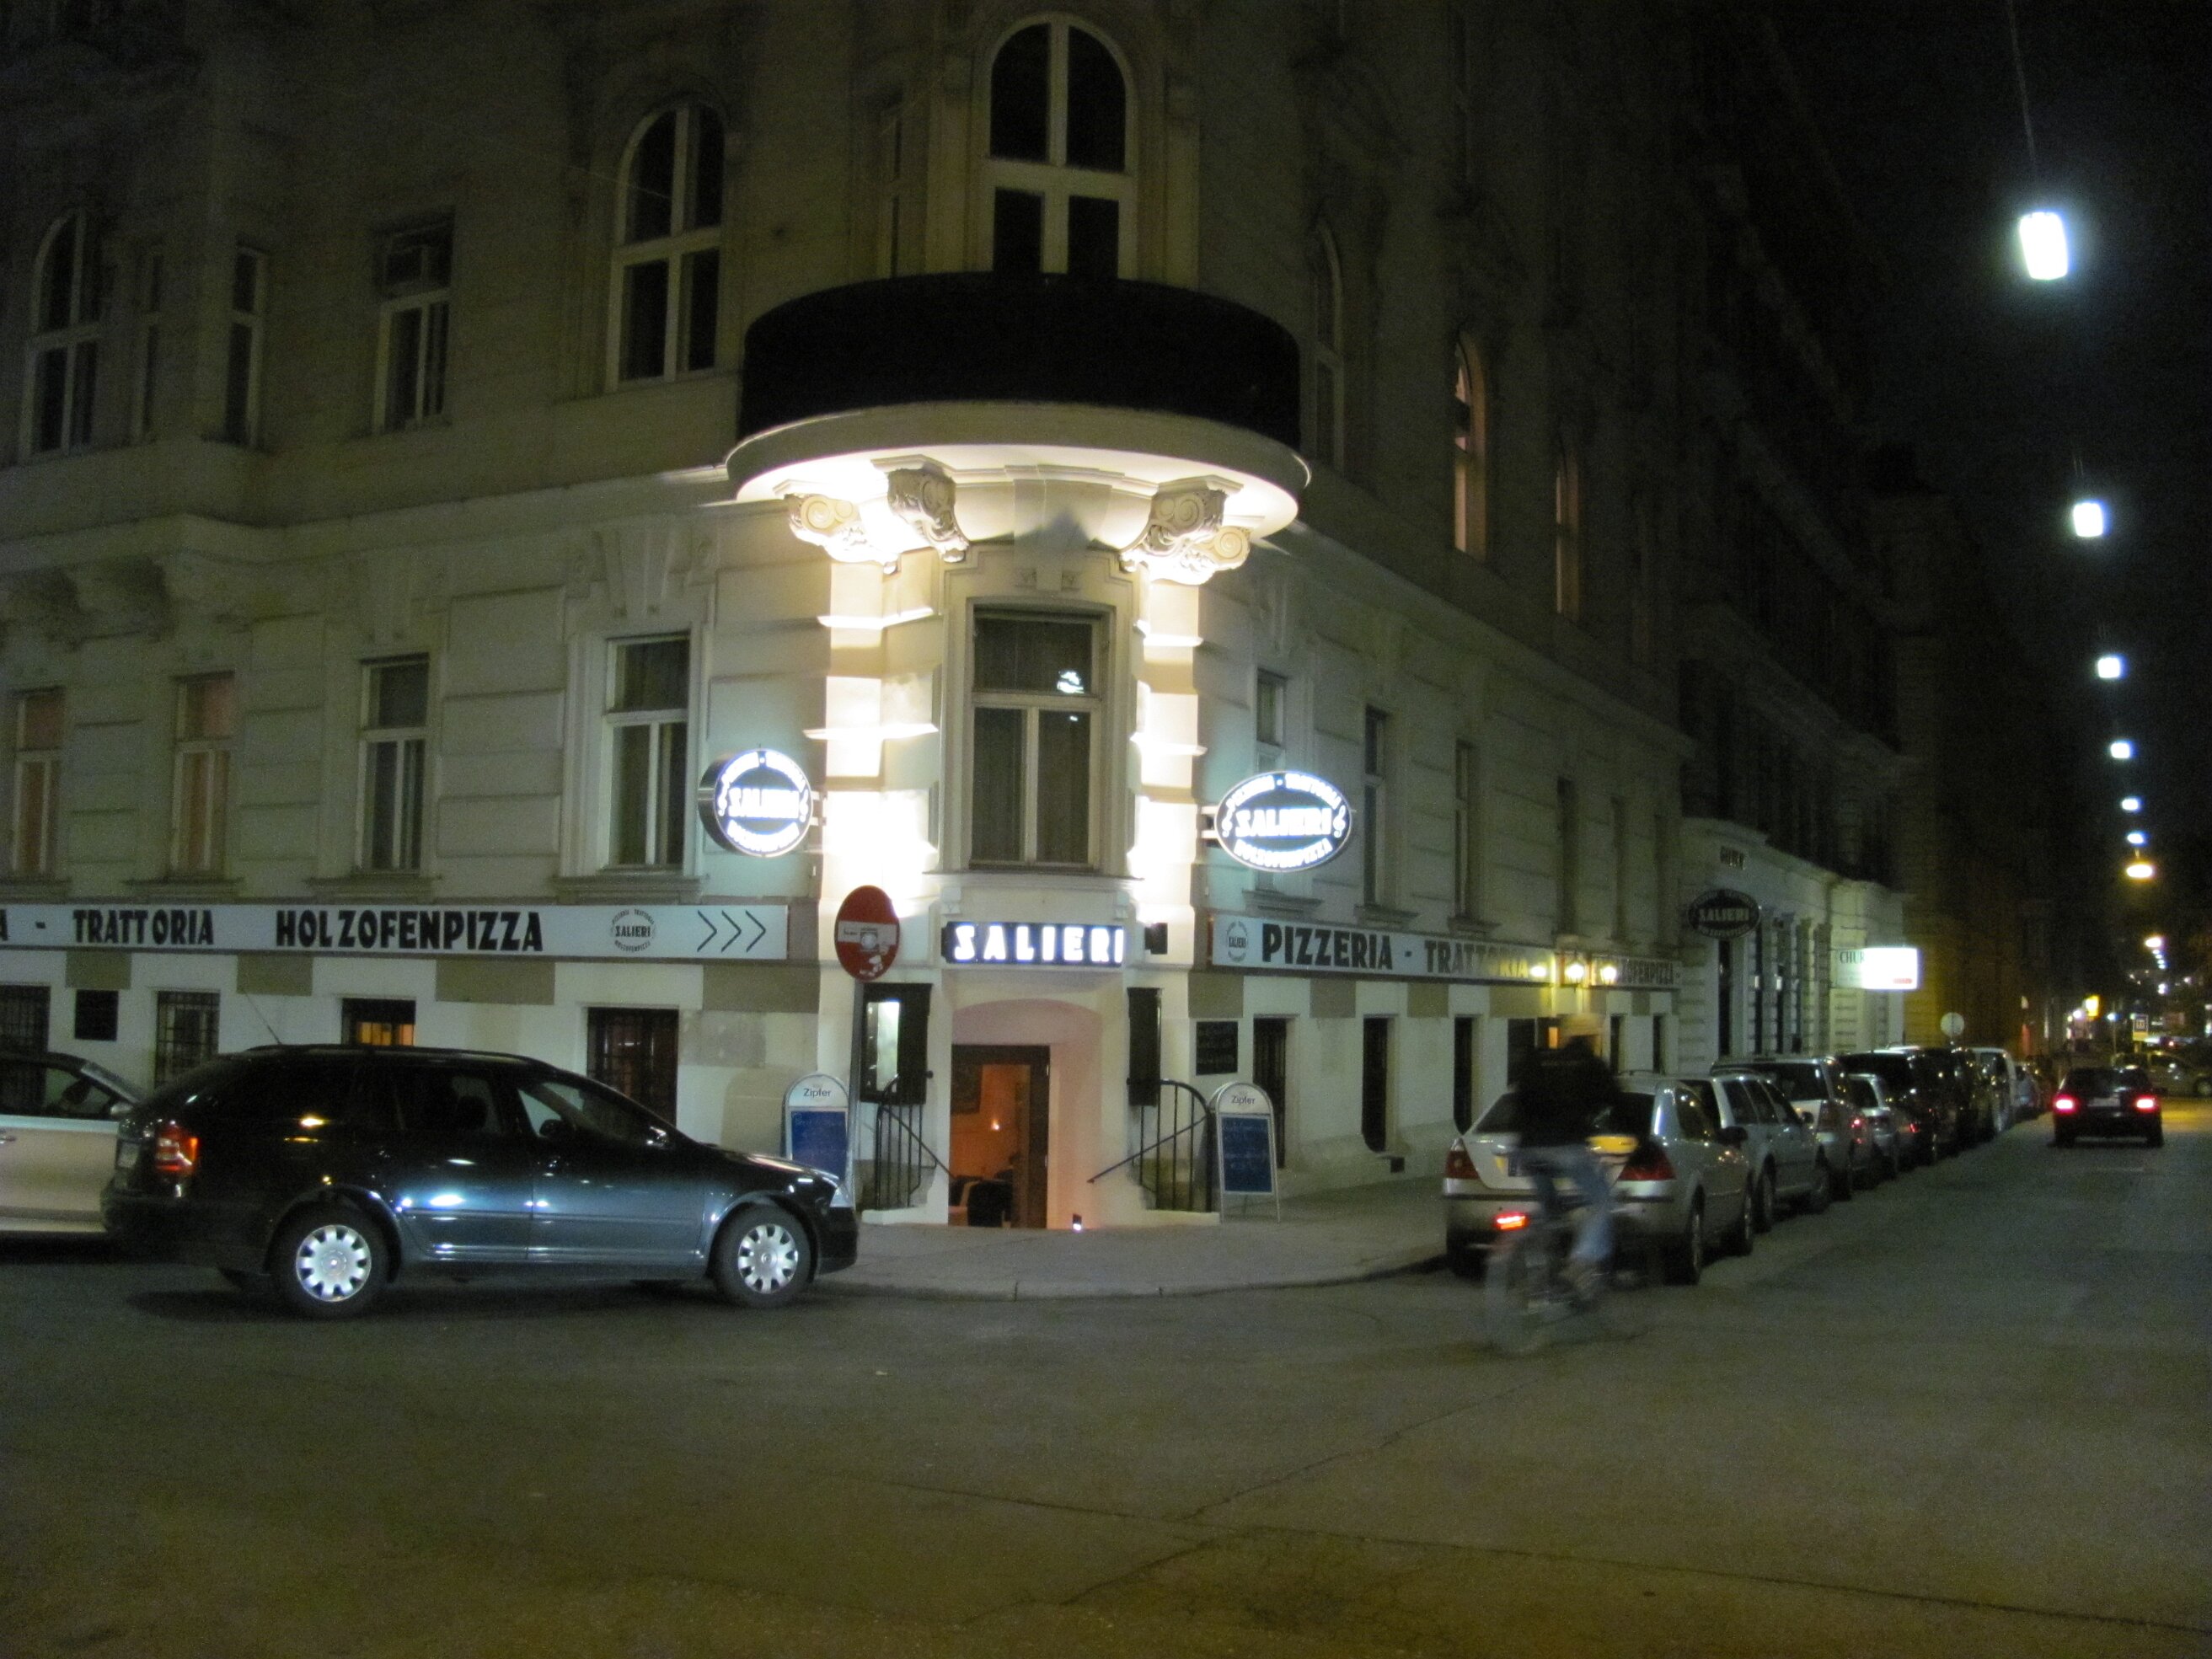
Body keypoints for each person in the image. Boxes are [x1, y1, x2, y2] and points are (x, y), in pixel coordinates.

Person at [1514, 1016, 1621, 1296]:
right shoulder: (1591, 1065)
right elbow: (1617, 1103)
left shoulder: (1541, 1062)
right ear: (1593, 1038)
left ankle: (1539, 1262)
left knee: (1550, 1210)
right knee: (1601, 1201)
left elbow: (1520, 1101)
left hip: (1527, 1148)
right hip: (1567, 1147)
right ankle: (1580, 1262)